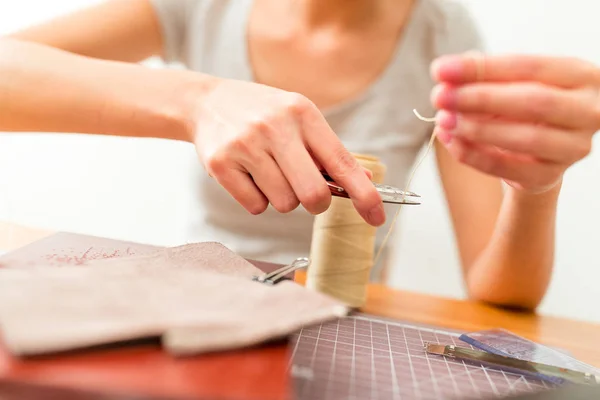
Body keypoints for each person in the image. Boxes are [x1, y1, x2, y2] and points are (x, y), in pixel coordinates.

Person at [2, 0, 598, 310]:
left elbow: (501, 295)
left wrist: (536, 189)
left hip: (342, 320)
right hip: (197, 303)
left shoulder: (442, 34)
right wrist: (197, 100)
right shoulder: (202, 7)